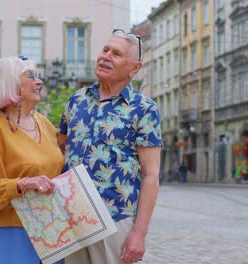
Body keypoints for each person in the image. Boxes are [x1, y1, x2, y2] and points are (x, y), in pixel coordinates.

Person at [58, 29, 163, 264]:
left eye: (116, 54)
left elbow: (151, 174)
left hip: (115, 217)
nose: (105, 56)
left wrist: (139, 233)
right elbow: (61, 146)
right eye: (105, 50)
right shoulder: (77, 99)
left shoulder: (144, 108)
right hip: (73, 215)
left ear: (134, 68)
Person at [0, 56, 64, 264]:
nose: (39, 81)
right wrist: (23, 184)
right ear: (10, 84)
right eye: (30, 76)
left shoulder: (44, 123)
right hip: (7, 234)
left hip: (48, 230)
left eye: (38, 76)